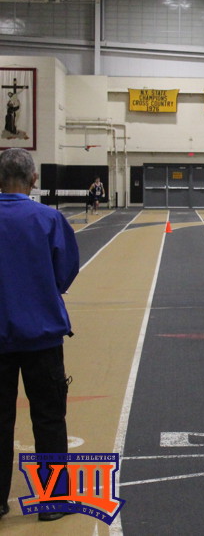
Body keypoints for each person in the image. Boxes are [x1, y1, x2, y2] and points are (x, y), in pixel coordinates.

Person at [0, 149, 79, 522]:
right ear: (34, 179)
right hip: (42, 336)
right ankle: (52, 501)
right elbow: (65, 273)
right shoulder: (49, 218)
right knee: (49, 418)